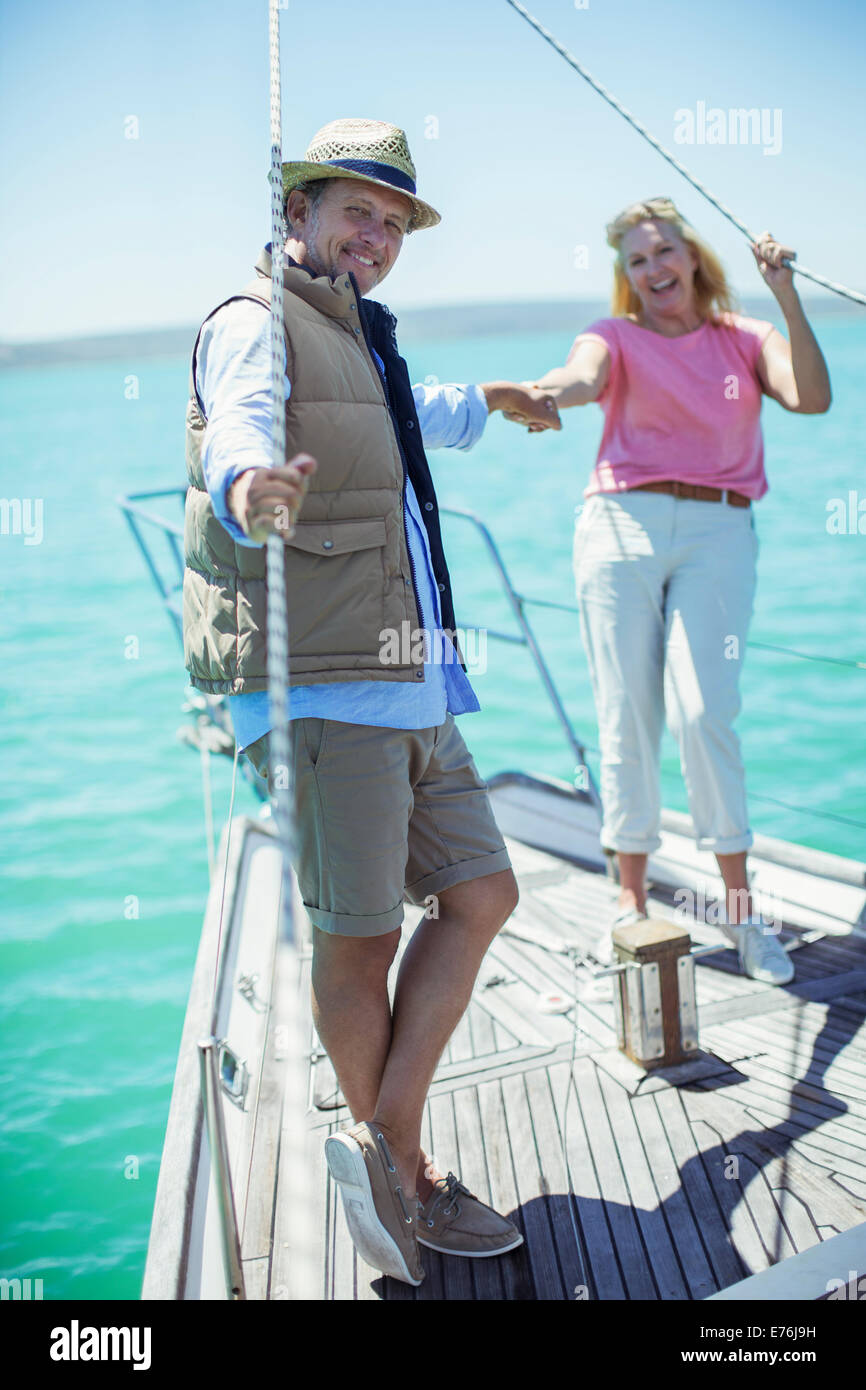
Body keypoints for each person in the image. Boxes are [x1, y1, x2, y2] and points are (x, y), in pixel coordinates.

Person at [181, 118, 560, 1287]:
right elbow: (235, 443)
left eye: (393, 223)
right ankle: (404, 1167)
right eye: (356, 211)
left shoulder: (367, 340)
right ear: (295, 212)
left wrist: (494, 396)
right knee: (363, 936)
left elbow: (416, 414)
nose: (377, 236)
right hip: (323, 686)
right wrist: (254, 489)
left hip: (405, 674)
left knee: (483, 894)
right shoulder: (254, 324)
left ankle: (385, 1143)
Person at [508, 196, 830, 987]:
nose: (653, 269)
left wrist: (784, 292)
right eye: (636, 260)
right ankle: (630, 900)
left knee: (701, 712)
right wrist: (544, 394)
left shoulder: (746, 338)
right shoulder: (613, 336)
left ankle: (743, 913)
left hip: (721, 531)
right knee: (627, 716)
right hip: (620, 527)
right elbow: (580, 376)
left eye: (663, 253)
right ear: (628, 277)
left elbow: (812, 398)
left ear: (692, 258)